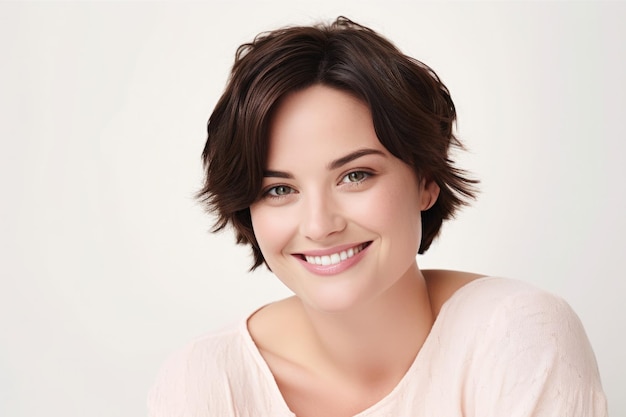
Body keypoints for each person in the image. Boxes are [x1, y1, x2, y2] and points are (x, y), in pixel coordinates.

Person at [148, 17, 607, 417]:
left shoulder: (515, 334)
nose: (318, 224)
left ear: (426, 179)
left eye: (355, 175)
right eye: (279, 189)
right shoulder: (206, 381)